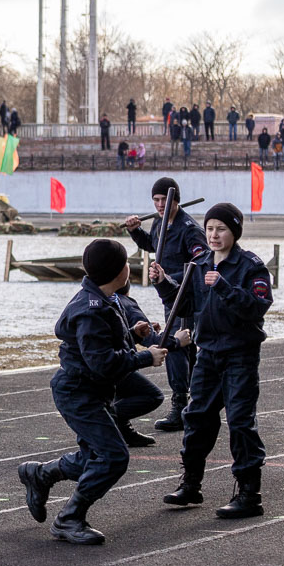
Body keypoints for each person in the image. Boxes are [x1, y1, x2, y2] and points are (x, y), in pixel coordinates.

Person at [16, 239, 170, 545]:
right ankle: (69, 518)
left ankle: (42, 474)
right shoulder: (91, 309)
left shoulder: (104, 298)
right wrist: (145, 357)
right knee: (114, 457)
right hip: (78, 393)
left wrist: (132, 334)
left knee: (93, 456)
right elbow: (101, 362)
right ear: (119, 271)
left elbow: (103, 344)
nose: (128, 268)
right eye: (125, 263)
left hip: (92, 391)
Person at [153, 203, 272, 519]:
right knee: (197, 418)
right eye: (209, 228)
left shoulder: (251, 266)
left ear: (235, 232)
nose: (214, 235)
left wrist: (223, 286)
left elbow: (257, 307)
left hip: (240, 356)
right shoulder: (199, 264)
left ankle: (249, 494)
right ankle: (191, 485)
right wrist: (163, 282)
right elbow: (183, 306)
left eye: (221, 229)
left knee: (241, 422)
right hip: (207, 355)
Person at [124, 177, 208, 432]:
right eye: (156, 200)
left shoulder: (190, 229)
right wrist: (135, 231)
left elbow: (201, 264)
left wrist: (168, 277)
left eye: (164, 200)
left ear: (176, 200)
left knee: (176, 346)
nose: (160, 205)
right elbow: (153, 245)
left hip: (186, 297)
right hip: (169, 295)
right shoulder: (159, 222)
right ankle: (195, 404)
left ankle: (180, 405)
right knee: (186, 349)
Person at [112, 282, 169, 447]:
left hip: (109, 363)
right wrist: (177, 341)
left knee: (124, 391)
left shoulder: (106, 300)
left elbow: (117, 337)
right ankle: (105, 417)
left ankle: (123, 428)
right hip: (113, 365)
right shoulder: (127, 304)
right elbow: (152, 341)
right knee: (154, 396)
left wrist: (136, 334)